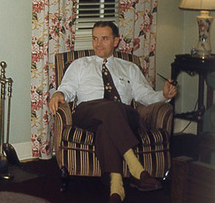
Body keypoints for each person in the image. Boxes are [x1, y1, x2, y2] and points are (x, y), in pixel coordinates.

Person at [48, 21, 177, 203]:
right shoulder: (79, 65)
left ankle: (116, 186)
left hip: (123, 116)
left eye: (104, 38)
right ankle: (136, 169)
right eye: (94, 38)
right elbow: (67, 88)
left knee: (109, 122)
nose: (98, 44)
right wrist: (59, 94)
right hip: (88, 112)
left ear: (116, 41)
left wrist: (163, 95)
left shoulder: (130, 68)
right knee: (110, 109)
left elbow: (144, 96)